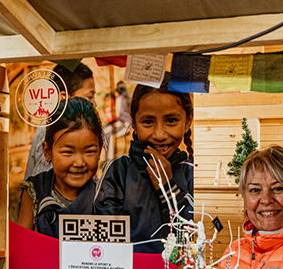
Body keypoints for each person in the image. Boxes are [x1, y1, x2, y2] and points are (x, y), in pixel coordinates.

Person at [95, 74, 193, 253]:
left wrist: (168, 188)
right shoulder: (119, 172)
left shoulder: (191, 174)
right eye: (148, 122)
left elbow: (190, 239)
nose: (159, 135)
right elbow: (103, 240)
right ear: (134, 122)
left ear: (187, 121)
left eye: (171, 120)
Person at [17, 97, 104, 237]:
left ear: (99, 150)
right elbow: (23, 242)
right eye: (68, 152)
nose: (79, 163)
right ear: (47, 152)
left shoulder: (104, 194)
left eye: (89, 151)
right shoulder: (36, 191)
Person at [24, 63, 97, 181]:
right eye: (89, 97)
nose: (94, 103)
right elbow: (43, 189)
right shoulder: (51, 131)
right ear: (64, 98)